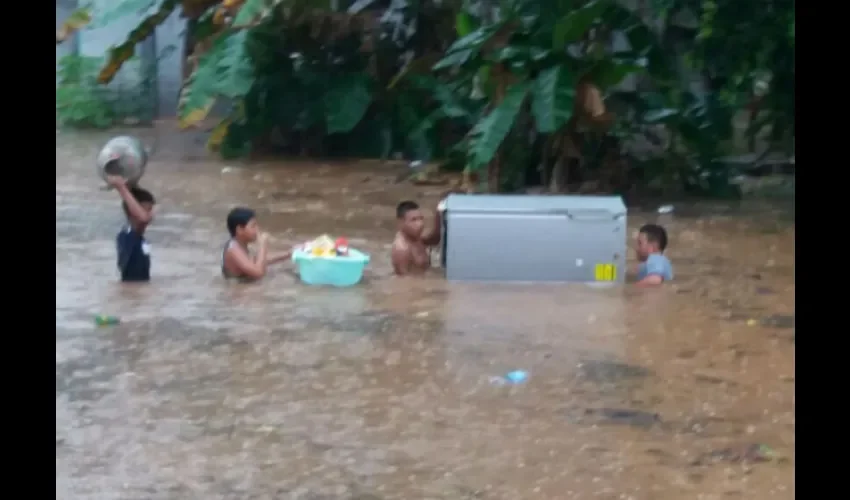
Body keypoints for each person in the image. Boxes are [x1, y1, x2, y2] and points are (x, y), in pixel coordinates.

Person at [221, 207, 292, 281]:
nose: (257, 229)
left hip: (243, 282)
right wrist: (262, 245)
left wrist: (289, 253)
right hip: (237, 288)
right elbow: (259, 273)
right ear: (240, 230)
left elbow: (257, 260)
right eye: (253, 226)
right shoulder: (233, 249)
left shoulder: (239, 243)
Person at [108, 175, 155, 282]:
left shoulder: (140, 239)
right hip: (133, 291)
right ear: (133, 212)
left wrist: (130, 187)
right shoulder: (127, 236)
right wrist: (121, 188)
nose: (151, 215)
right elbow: (143, 219)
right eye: (148, 210)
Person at [391, 200, 443, 276]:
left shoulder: (415, 237)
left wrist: (440, 214)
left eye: (421, 218)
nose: (420, 224)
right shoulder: (402, 250)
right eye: (414, 220)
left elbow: (435, 239)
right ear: (401, 222)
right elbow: (404, 283)